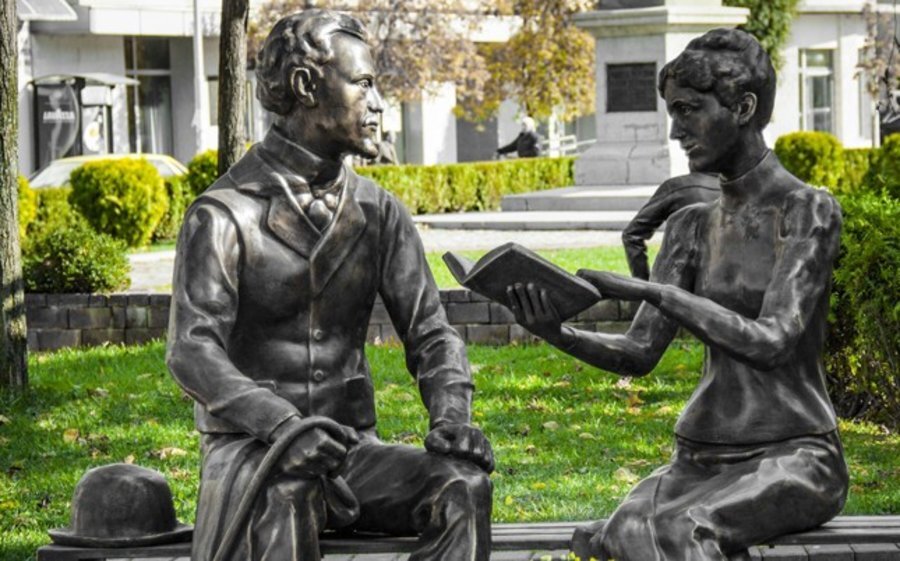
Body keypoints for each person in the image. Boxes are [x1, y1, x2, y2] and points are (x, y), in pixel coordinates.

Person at [506, 28, 848, 561]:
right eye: (672, 112)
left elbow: (772, 341)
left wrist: (658, 293)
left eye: (687, 110)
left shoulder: (806, 210)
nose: (674, 131)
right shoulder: (692, 225)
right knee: (617, 532)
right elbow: (638, 354)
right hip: (700, 458)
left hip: (796, 454)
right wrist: (557, 332)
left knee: (687, 531)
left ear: (743, 108)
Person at [166, 10, 493, 561]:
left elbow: (431, 334)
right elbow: (192, 349)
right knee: (285, 498)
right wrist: (282, 426)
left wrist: (452, 419)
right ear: (305, 85)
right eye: (363, 83)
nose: (378, 103)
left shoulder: (379, 211)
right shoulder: (223, 213)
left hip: (351, 452)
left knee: (462, 485)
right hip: (255, 452)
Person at [622, 170, 719, 280]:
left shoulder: (677, 187)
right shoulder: (735, 189)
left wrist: (643, 283)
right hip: (729, 281)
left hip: (681, 281)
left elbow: (632, 235)